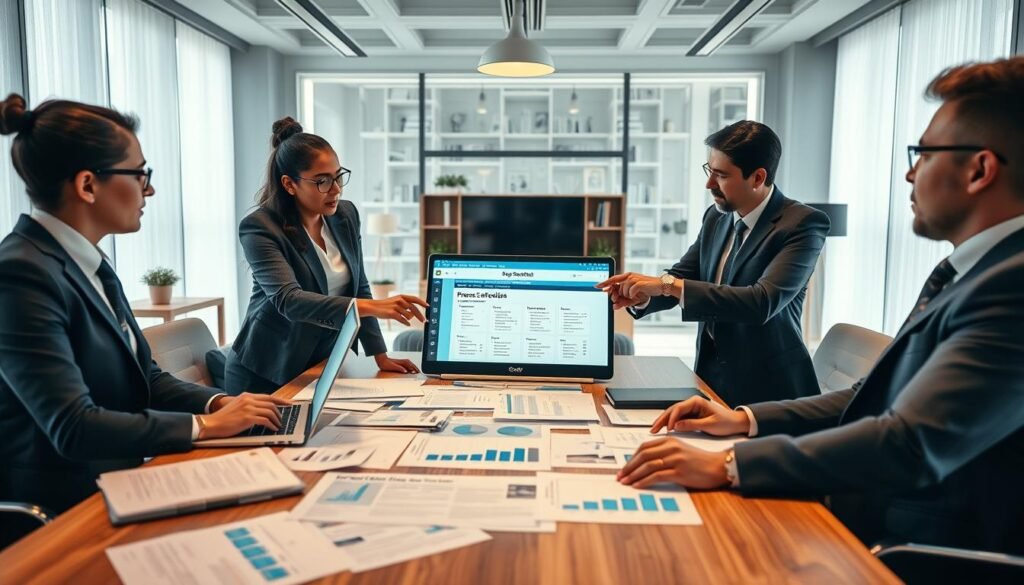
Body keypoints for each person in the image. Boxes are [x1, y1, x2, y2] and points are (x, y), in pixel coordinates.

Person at [616, 57, 1024, 554]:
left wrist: (731, 463)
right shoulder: (974, 271)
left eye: (923, 154)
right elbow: (870, 393)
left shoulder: (1010, 288)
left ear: (980, 169)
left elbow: (907, 443)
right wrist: (742, 420)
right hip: (852, 499)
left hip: (906, 545)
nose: (909, 173)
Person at [0, 95, 289, 529]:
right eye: (139, 174)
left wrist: (222, 402)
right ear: (87, 185)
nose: (149, 188)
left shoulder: (90, 263)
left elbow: (145, 380)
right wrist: (205, 427)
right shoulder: (20, 274)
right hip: (63, 513)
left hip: (126, 484)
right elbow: (73, 426)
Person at [597, 121, 830, 405]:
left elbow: (762, 302)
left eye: (720, 175)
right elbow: (684, 275)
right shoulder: (716, 217)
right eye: (709, 170)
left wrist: (667, 285)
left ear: (757, 178)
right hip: (709, 379)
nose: (709, 184)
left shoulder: (803, 224)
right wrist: (643, 294)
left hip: (771, 393)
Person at [226, 117, 428, 395]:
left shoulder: (345, 215)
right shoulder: (260, 227)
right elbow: (289, 301)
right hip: (266, 370)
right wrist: (372, 307)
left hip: (320, 363)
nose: (336, 189)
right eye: (322, 181)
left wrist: (380, 355)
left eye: (338, 176)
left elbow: (360, 285)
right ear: (289, 184)